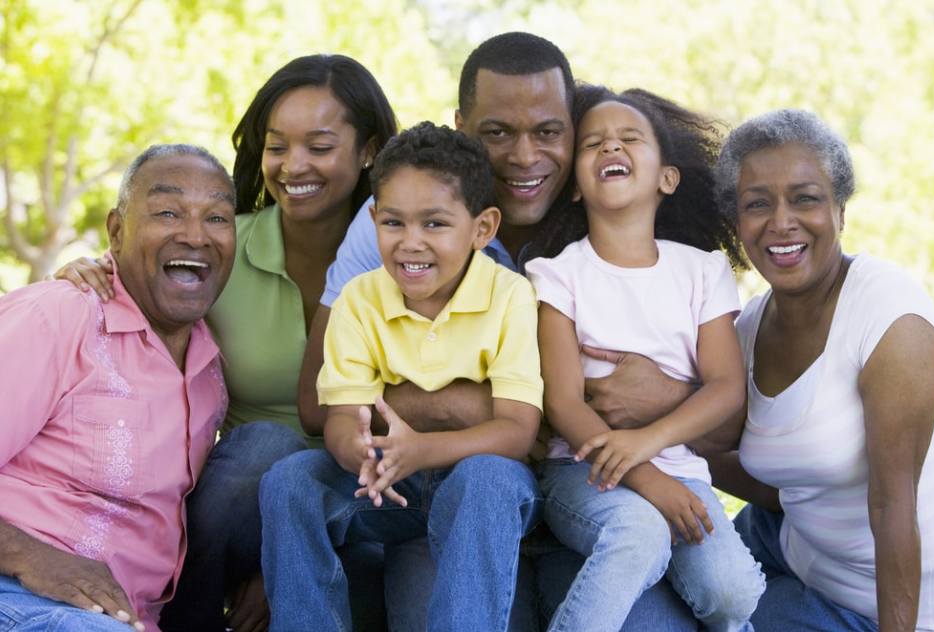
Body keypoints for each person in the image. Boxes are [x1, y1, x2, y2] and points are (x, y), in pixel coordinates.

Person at [299, 31, 700, 631]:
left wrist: (672, 397)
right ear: (461, 127)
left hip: (590, 497)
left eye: (547, 131)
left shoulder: (618, 210)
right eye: (496, 133)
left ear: (573, 126)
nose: (523, 155)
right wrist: (494, 409)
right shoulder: (397, 223)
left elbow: (731, 413)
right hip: (457, 495)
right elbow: (317, 402)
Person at [52, 54, 399, 632]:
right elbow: (134, 281)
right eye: (277, 145)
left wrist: (283, 560)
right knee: (264, 448)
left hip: (367, 490)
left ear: (369, 150)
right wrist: (85, 270)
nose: (293, 166)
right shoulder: (220, 242)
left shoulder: (408, 256)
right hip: (236, 505)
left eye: (318, 145)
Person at [259, 121, 544, 631]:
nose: (411, 244)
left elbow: (518, 430)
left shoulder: (509, 295)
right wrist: (363, 456)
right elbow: (343, 417)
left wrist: (420, 450)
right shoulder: (359, 299)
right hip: (389, 483)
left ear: (482, 228)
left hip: (477, 486)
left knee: (488, 479)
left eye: (435, 224)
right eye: (394, 223)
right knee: (291, 481)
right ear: (373, 220)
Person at [524, 85, 763, 631]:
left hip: (684, 473)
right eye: (593, 144)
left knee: (730, 594)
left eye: (629, 139)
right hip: (585, 472)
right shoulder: (556, 276)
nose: (611, 148)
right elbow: (562, 402)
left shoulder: (703, 271)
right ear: (577, 187)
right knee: (640, 536)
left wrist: (650, 444)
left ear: (667, 178)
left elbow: (726, 386)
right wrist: (644, 473)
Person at [708, 109, 934, 631]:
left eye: (805, 198)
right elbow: (778, 478)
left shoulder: (890, 317)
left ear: (840, 211)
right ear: (738, 224)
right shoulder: (747, 327)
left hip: (883, 599)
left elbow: (891, 508)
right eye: (757, 204)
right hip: (791, 543)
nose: (781, 221)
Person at [0, 144, 235, 632]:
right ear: (115, 231)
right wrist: (29, 557)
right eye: (167, 212)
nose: (195, 235)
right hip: (21, 595)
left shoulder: (209, 370)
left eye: (217, 218)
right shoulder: (59, 316)